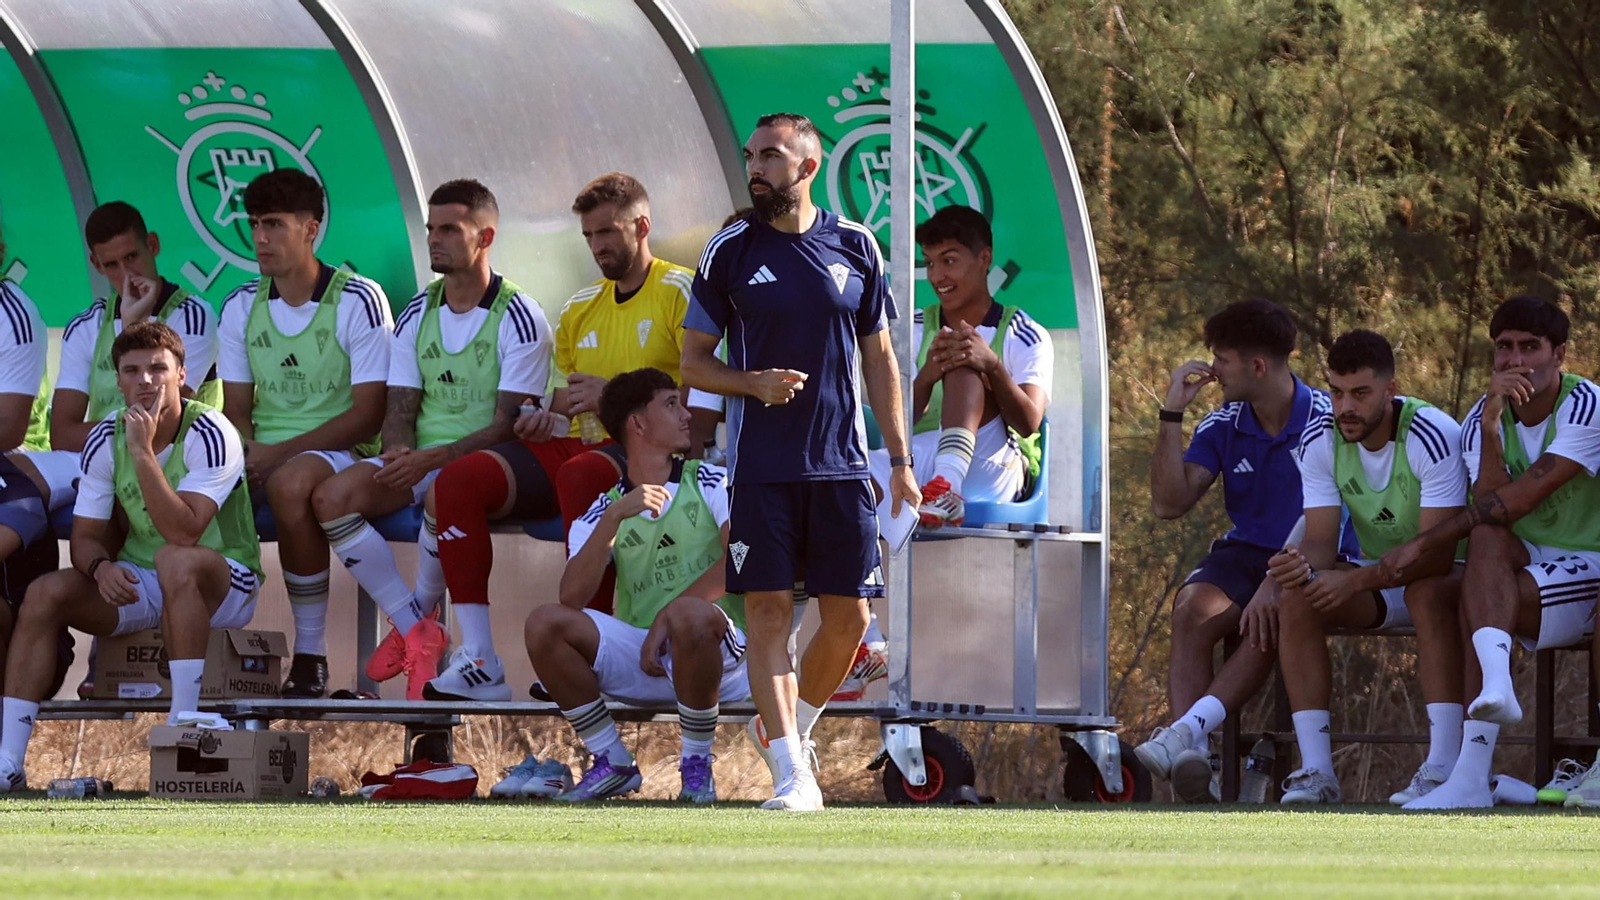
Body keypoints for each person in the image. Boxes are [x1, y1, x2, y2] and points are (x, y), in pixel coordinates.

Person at [680, 112, 918, 811]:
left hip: (843, 470)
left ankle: (787, 728)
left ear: (808, 167)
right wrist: (748, 382)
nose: (756, 168)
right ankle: (792, 775)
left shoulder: (856, 244)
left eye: (772, 157)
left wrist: (899, 459)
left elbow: (881, 361)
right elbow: (690, 363)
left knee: (848, 621)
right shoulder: (728, 249)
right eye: (751, 156)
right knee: (768, 611)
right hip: (763, 470)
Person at [424, 173, 699, 700]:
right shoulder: (577, 309)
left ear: (641, 227)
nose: (598, 246)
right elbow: (558, 407)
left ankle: (592, 649)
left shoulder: (678, 292)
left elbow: (703, 396)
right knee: (459, 479)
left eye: (608, 233)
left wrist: (614, 398)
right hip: (582, 445)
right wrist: (539, 420)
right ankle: (479, 659)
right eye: (589, 237)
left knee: (582, 473)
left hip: (644, 454)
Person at [311, 178, 550, 701]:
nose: (434, 239)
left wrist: (432, 460)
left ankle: (421, 619)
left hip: (484, 462)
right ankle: (418, 626)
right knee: (331, 497)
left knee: (449, 487)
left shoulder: (519, 315)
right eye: (430, 229)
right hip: (423, 460)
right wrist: (398, 453)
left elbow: (509, 423)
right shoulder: (418, 311)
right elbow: (400, 408)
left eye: (449, 229)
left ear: (485, 236)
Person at [0, 321, 262, 792]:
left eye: (158, 369)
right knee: (44, 593)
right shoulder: (104, 437)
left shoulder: (211, 429)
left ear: (182, 375)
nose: (145, 381)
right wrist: (101, 569)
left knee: (175, 560)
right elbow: (85, 537)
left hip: (225, 582)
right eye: (132, 371)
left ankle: (184, 717)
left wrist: (142, 454)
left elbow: (184, 531)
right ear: (117, 380)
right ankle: (8, 762)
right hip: (145, 578)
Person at [1378, 297, 1600, 809]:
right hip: (1528, 560)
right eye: (1505, 348)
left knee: (1480, 597)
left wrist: (1423, 543)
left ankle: (1472, 769)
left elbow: (1517, 501)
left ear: (1560, 354)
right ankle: (1470, 770)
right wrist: (1492, 425)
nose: (1516, 360)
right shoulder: (1484, 413)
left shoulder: (1586, 405)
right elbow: (1488, 508)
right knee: (1480, 547)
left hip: (1588, 561)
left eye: (1530, 347)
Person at [1135, 298, 1355, 802]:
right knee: (1191, 608)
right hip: (1248, 553)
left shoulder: (1328, 421)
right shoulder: (1224, 424)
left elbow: (1332, 524)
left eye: (1222, 359)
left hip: (1317, 555)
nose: (1212, 370)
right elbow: (1169, 504)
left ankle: (1183, 736)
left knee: (1268, 615)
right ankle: (1199, 764)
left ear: (1258, 366)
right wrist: (1171, 411)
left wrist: (1273, 582)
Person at [519, 368, 747, 802]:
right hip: (646, 660)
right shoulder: (607, 508)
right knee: (544, 623)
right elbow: (571, 598)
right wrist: (613, 519)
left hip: (723, 661)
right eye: (671, 404)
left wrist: (669, 613)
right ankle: (613, 761)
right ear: (638, 424)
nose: (685, 415)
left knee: (688, 615)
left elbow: (742, 559)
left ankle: (697, 765)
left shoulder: (710, 480)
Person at [1266, 330, 1467, 805]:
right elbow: (1319, 540)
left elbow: (1437, 554)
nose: (1345, 407)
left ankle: (1442, 768)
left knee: (1426, 592)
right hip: (1380, 579)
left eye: (1360, 393)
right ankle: (1316, 772)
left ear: (1390, 390)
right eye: (1336, 392)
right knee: (1297, 598)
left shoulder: (1433, 435)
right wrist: (1299, 568)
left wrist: (1353, 579)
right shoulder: (1319, 437)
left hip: (1454, 578)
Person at [217, 170, 392, 699]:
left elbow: (368, 415)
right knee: (174, 494)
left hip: (344, 453)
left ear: (311, 229)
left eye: (274, 225)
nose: (260, 238)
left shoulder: (359, 298)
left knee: (291, 484)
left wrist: (276, 456)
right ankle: (172, 661)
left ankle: (311, 654)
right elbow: (237, 409)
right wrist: (244, 454)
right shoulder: (241, 304)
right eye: (253, 225)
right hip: (267, 455)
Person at [869, 204, 1052, 527]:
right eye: (930, 263)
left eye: (949, 261)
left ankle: (947, 484)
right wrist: (927, 376)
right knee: (850, 482)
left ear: (984, 259)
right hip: (921, 457)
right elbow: (892, 428)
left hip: (994, 465)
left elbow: (1029, 424)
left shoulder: (1021, 331)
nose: (937, 277)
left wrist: (992, 367)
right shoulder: (912, 328)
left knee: (964, 359)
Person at [55, 201, 221, 453]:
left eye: (131, 257)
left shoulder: (193, 315)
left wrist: (134, 326)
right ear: (96, 265)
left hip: (176, 456)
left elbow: (161, 423)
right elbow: (62, 437)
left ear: (152, 245)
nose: (127, 274)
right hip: (101, 455)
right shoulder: (85, 324)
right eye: (111, 264)